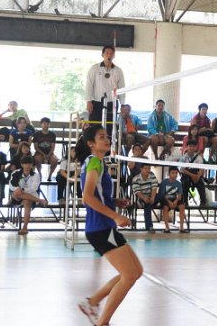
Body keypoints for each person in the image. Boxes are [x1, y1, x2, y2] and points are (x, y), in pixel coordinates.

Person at [76, 125, 142, 326]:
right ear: (91, 143)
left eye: (107, 137)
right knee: (130, 275)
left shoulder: (96, 162)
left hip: (104, 228)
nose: (107, 140)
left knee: (135, 272)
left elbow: (97, 195)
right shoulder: (95, 162)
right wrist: (116, 216)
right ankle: (102, 322)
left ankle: (93, 302)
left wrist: (114, 201)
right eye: (102, 137)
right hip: (100, 228)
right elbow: (87, 197)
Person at [85, 46, 125, 136]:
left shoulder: (118, 71)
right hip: (96, 102)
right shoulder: (94, 68)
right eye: (107, 53)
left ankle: (109, 148)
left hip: (112, 103)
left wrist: (123, 104)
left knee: (110, 129)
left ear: (114, 55)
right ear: (102, 55)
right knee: (94, 128)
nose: (109, 55)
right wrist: (88, 101)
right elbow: (89, 85)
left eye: (111, 53)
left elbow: (122, 88)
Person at [9, 155, 47, 235]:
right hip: (17, 197)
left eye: (29, 164)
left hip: (30, 198)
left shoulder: (36, 175)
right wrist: (19, 190)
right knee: (17, 192)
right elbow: (12, 186)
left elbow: (33, 188)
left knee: (27, 201)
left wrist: (22, 190)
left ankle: (25, 228)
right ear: (22, 164)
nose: (27, 166)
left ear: (32, 165)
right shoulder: (15, 173)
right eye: (25, 164)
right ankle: (40, 200)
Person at [157, 166, 187, 233]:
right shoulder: (164, 182)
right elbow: (162, 194)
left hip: (175, 199)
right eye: (173, 173)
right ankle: (167, 228)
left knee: (182, 206)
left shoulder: (178, 183)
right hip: (166, 199)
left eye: (176, 173)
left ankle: (181, 227)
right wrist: (169, 202)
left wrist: (176, 201)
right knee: (165, 207)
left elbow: (180, 195)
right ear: (169, 174)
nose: (175, 175)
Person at [131, 163, 158, 232]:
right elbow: (137, 191)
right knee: (147, 204)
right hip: (142, 198)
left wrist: (152, 197)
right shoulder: (136, 179)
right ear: (141, 169)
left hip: (152, 197)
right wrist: (144, 198)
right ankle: (149, 227)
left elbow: (154, 187)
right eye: (145, 168)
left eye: (149, 168)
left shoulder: (152, 176)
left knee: (161, 195)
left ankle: (149, 227)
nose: (147, 170)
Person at [179, 139, 207, 207]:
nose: (191, 148)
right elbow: (182, 170)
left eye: (193, 146)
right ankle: (185, 202)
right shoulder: (183, 158)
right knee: (184, 184)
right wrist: (192, 175)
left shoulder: (199, 157)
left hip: (196, 175)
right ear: (187, 147)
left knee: (201, 184)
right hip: (187, 175)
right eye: (190, 146)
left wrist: (197, 177)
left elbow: (201, 169)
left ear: (196, 148)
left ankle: (203, 202)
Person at [33, 117, 59, 181]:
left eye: (47, 124)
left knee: (55, 160)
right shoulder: (37, 134)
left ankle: (50, 175)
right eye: (44, 123)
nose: (46, 125)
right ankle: (40, 174)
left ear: (49, 125)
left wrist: (48, 155)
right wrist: (43, 154)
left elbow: (53, 147)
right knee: (37, 159)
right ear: (41, 124)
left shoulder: (52, 134)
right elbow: (36, 147)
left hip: (50, 153)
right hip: (39, 152)